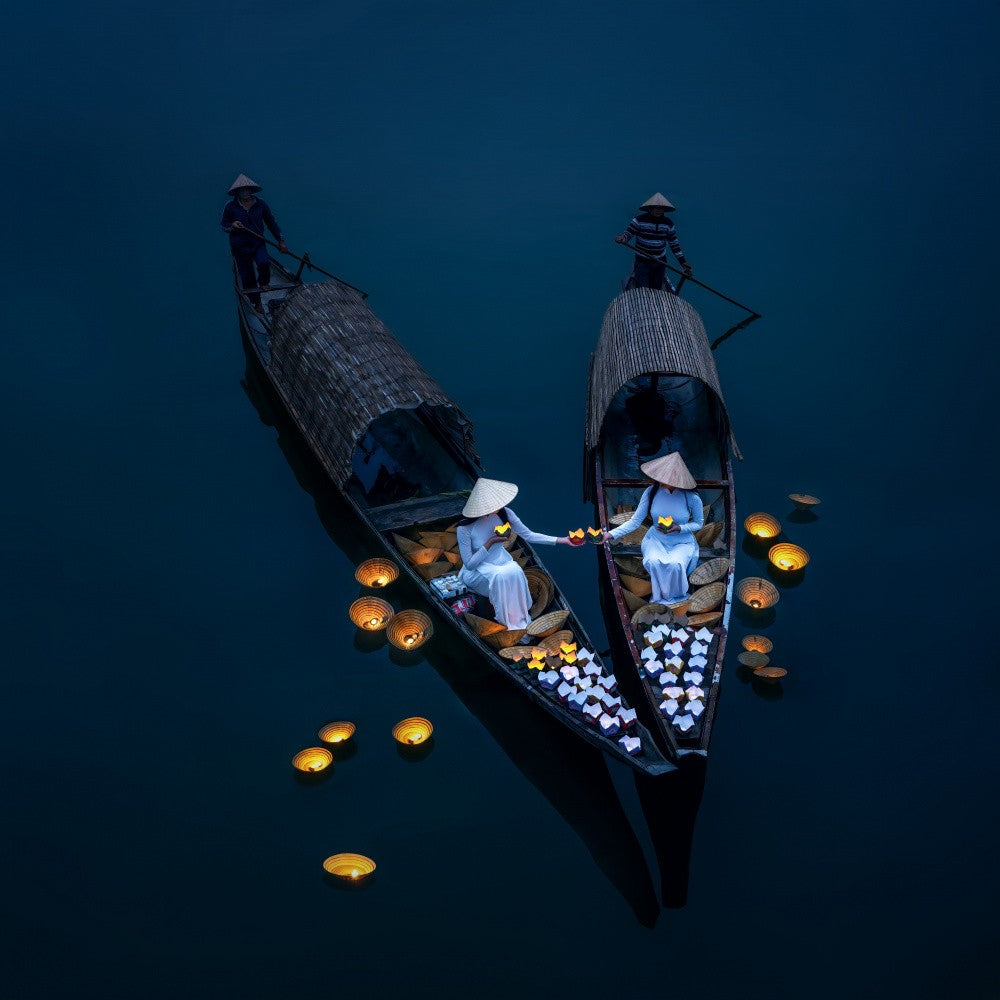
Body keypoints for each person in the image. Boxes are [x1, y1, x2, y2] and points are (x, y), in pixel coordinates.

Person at [455, 478, 576, 630]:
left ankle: (517, 617)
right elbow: (470, 564)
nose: (498, 507)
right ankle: (505, 619)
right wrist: (490, 542)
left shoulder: (505, 514)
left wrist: (562, 540)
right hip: (477, 572)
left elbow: (529, 535)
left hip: (501, 562)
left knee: (516, 570)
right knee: (501, 576)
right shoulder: (464, 529)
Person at [605, 452, 704, 604]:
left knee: (675, 565)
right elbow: (635, 521)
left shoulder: (691, 497)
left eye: (665, 478)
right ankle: (659, 596)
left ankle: (674, 597)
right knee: (652, 561)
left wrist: (679, 528)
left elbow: (699, 523)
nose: (660, 480)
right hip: (656, 539)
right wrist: (610, 535)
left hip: (682, 542)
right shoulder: (651, 492)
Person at [220, 173, 288, 315]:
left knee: (264, 263)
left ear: (251, 190)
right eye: (242, 190)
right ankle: (256, 303)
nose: (245, 192)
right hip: (240, 246)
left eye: (247, 189)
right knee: (247, 276)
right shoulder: (230, 206)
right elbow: (224, 225)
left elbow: (271, 223)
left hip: (258, 242)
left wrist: (280, 240)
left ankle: (264, 282)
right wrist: (233, 225)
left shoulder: (261, 204)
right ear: (237, 192)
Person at [614, 192, 692, 292]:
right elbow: (628, 234)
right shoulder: (638, 220)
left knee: (656, 289)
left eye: (661, 208)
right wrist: (622, 238)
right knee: (643, 290)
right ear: (650, 208)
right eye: (656, 208)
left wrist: (683, 262)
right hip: (642, 261)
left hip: (660, 262)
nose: (658, 210)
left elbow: (674, 244)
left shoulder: (668, 224)